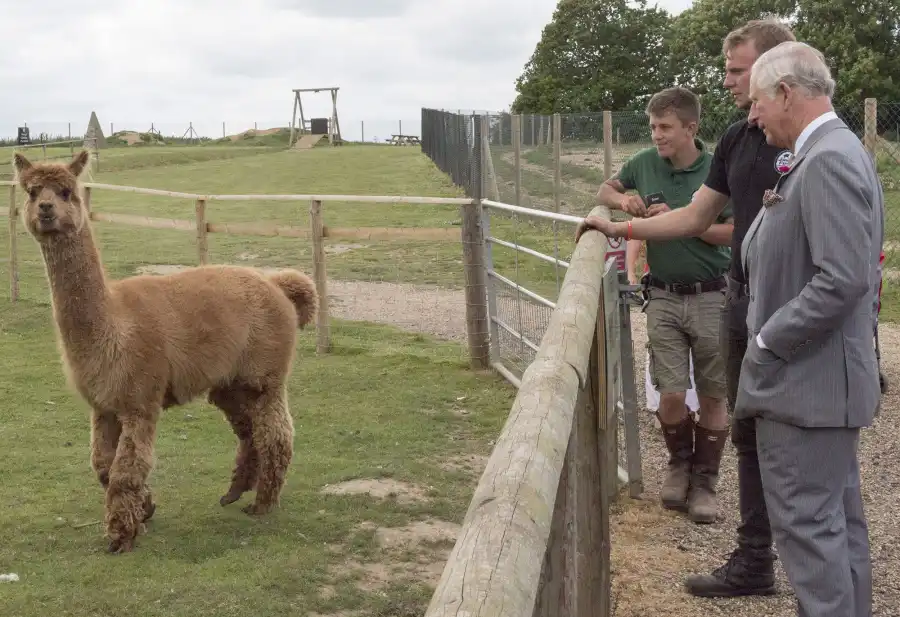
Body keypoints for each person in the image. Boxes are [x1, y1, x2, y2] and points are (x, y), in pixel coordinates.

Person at [577, 18, 797, 598]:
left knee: (792, 441)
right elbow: (699, 217)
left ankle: (818, 576)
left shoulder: (813, 144)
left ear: (778, 70)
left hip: (775, 310)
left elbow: (733, 229)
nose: (727, 81)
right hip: (741, 303)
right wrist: (622, 224)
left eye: (736, 70)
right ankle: (755, 556)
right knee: (747, 431)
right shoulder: (741, 139)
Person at [737, 41, 881, 617]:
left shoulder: (827, 160)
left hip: (807, 392)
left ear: (786, 94)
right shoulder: (829, 151)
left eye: (757, 102)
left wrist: (768, 341)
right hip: (820, 392)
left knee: (813, 539)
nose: (752, 115)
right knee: (836, 533)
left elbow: (842, 279)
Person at [595, 86, 733, 523]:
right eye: (653, 126)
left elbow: (734, 233)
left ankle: (706, 481)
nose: (657, 135)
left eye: (665, 127)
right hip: (664, 294)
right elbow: (605, 189)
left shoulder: (718, 170)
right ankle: (680, 464)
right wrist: (622, 201)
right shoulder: (643, 163)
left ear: (690, 128)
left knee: (714, 392)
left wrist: (685, 221)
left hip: (713, 294)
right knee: (670, 393)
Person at [626, 239, 701, 422]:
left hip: (699, 280)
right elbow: (635, 232)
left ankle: (692, 406)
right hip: (660, 282)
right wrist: (630, 270)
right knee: (660, 345)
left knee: (696, 345)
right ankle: (658, 406)